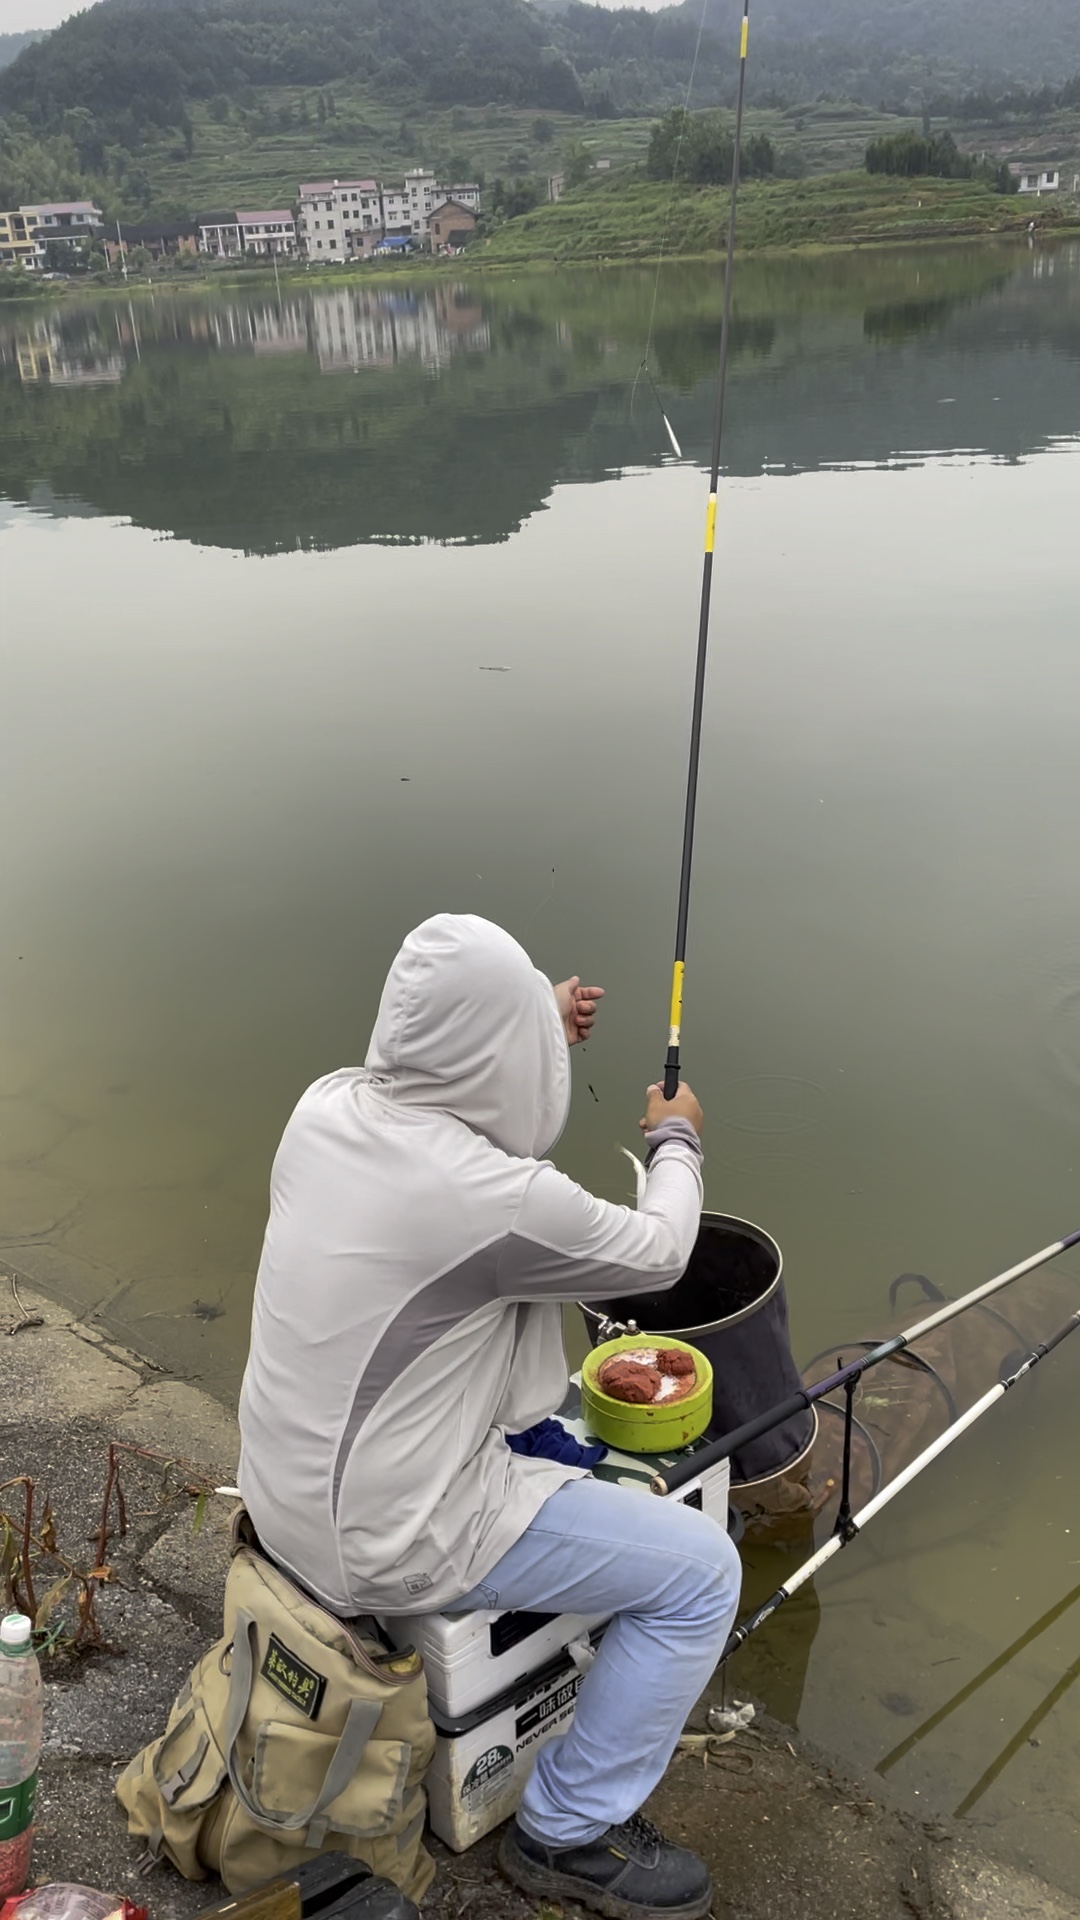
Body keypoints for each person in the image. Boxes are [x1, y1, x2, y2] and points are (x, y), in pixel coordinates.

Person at [238, 913, 741, 1920]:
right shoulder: (492, 1199)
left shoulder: (324, 1106)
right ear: (497, 1054)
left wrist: (536, 1024)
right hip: (391, 1536)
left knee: (480, 1319)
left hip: (276, 1499)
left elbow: (439, 1076)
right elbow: (660, 1253)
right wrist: (677, 1136)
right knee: (700, 1577)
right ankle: (566, 1831)